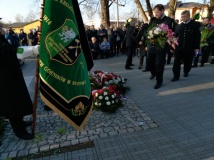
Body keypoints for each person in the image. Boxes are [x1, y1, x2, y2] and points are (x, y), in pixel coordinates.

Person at [0, 28, 34, 140]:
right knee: (12, 105)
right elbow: (12, 51)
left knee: (18, 100)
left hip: (11, 76)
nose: (2, 29)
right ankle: (19, 131)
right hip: (5, 80)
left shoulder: (2, 39)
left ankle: (21, 122)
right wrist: (31, 50)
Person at [147, 4, 175, 89]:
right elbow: (148, 30)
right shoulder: (152, 20)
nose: (156, 14)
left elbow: (171, 33)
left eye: (157, 12)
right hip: (152, 45)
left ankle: (159, 81)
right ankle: (153, 73)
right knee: (149, 62)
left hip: (162, 46)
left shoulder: (169, 20)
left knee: (159, 64)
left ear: (162, 11)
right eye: (155, 12)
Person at [171, 10, 201, 82]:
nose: (183, 18)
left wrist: (196, 47)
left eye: (185, 16)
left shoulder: (195, 25)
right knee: (176, 63)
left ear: (189, 16)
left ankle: (186, 71)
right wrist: (172, 45)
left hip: (189, 48)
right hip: (179, 48)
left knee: (188, 62)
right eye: (182, 17)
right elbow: (175, 36)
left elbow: (197, 37)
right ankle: (176, 76)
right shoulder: (179, 26)